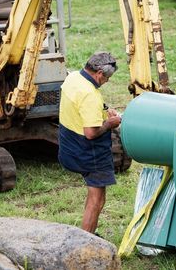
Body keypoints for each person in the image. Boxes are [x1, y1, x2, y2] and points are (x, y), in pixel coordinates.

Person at [57, 51, 122, 234]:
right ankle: (87, 241)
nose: (107, 81)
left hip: (69, 145)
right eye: (107, 78)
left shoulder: (73, 78)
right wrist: (109, 123)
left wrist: (104, 110)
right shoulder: (90, 94)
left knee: (93, 195)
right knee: (97, 200)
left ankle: (88, 233)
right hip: (89, 152)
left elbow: (80, 106)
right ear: (100, 73)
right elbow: (91, 133)